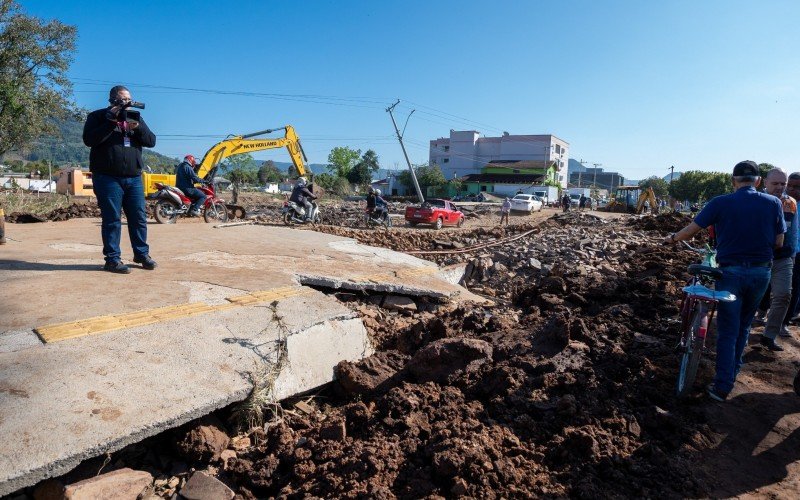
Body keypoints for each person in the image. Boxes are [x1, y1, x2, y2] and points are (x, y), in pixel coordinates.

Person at [665, 160, 785, 401]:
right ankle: (732, 373)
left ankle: (722, 386)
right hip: (761, 273)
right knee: (744, 325)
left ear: (733, 181)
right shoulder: (774, 203)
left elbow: (691, 230)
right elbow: (779, 242)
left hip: (730, 273)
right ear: (758, 181)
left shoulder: (720, 202)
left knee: (728, 330)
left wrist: (673, 239)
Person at [83, 85, 157, 273]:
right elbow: (89, 140)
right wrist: (110, 122)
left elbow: (151, 141)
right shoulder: (98, 116)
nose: (128, 103)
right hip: (107, 178)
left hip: (133, 179)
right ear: (113, 99)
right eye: (124, 99)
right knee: (112, 219)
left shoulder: (134, 117)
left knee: (139, 218)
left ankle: (141, 254)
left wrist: (138, 127)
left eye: (129, 99)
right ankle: (112, 260)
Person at [752, 168, 797, 350]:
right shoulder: (755, 202)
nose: (780, 187)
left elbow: (792, 231)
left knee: (784, 294)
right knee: (753, 296)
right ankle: (742, 329)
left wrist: (792, 254)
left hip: (783, 258)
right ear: (764, 183)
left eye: (783, 183)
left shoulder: (790, 203)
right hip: (758, 257)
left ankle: (769, 335)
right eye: (775, 183)